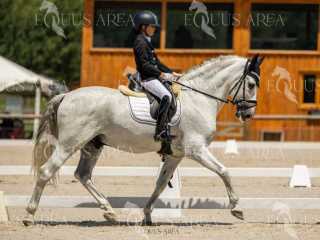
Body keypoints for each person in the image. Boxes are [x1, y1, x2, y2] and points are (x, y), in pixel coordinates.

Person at [133, 10, 182, 142]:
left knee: (171, 91)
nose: (154, 29)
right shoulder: (140, 42)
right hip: (146, 79)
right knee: (165, 96)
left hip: (153, 77)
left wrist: (171, 72)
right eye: (152, 26)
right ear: (143, 27)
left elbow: (157, 62)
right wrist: (161, 74)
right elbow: (144, 65)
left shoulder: (146, 41)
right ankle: (160, 131)